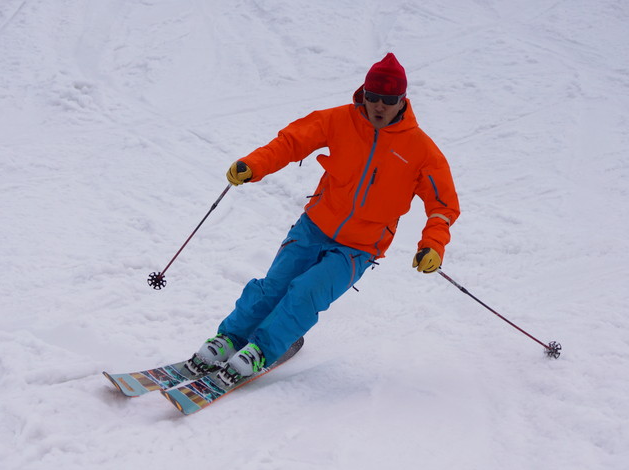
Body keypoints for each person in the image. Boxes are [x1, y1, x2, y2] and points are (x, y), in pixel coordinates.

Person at [189, 53, 460, 386]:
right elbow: (291, 142)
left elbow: (443, 205)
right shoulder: (339, 120)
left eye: (388, 100)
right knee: (273, 286)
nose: (378, 106)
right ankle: (230, 337)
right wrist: (254, 164)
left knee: (305, 293)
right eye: (372, 97)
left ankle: (261, 349)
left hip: (358, 247)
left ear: (402, 100)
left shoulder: (421, 151)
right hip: (314, 226)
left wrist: (432, 244)